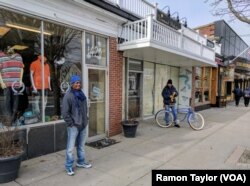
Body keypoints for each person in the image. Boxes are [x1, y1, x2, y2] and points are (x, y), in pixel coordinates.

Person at [62, 75, 92, 176]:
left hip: (83, 124)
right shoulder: (68, 95)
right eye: (76, 83)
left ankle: (81, 162)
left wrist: (86, 119)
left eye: (79, 82)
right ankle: (69, 166)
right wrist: (71, 124)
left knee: (81, 146)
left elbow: (85, 108)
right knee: (70, 148)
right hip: (74, 126)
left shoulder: (81, 94)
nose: (78, 84)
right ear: (72, 84)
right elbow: (65, 113)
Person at [0, 48, 24, 125]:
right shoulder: (1, 57)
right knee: (7, 101)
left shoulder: (19, 57)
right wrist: (1, 82)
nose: (9, 48)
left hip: (16, 83)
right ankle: (8, 120)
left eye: (11, 47)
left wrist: (20, 80)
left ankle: (13, 119)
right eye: (8, 47)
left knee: (16, 102)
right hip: (6, 83)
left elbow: (21, 69)